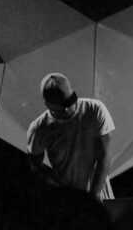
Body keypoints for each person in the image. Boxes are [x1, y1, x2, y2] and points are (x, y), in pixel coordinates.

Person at [27, 73, 115, 201]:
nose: (67, 109)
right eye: (61, 106)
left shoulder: (95, 109)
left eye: (70, 102)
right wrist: (58, 189)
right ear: (48, 104)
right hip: (68, 200)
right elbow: (36, 167)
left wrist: (95, 194)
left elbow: (104, 155)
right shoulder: (39, 128)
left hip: (99, 195)